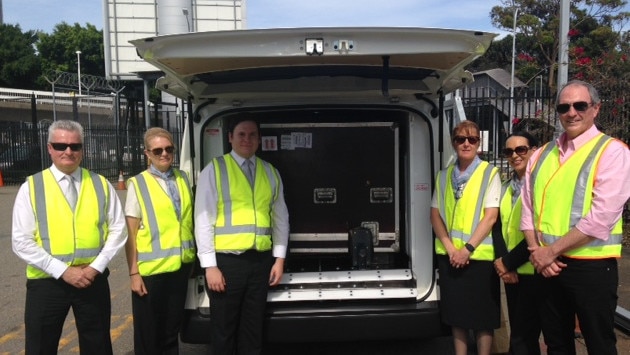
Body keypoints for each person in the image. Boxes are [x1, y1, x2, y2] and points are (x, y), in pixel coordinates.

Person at [521, 80, 630, 354]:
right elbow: (527, 209)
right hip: (548, 265)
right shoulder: (542, 154)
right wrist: (536, 251)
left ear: (595, 109)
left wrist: (549, 252)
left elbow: (601, 217)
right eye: (564, 106)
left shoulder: (613, 152)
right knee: (556, 344)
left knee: (599, 344)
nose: (572, 113)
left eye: (580, 105)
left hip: (591, 266)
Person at [11, 120, 127, 355]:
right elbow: (21, 241)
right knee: (40, 346)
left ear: (82, 150)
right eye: (61, 145)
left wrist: (96, 267)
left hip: (91, 278)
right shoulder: (32, 187)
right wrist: (63, 271)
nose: (68, 151)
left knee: (98, 345)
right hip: (47, 281)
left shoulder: (100, 184)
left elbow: (118, 229)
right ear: (49, 148)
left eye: (75, 146)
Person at [194, 117, 289, 355]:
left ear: (259, 139)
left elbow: (280, 218)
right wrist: (209, 266)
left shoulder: (270, 172)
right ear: (230, 138)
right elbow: (203, 220)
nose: (247, 139)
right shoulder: (214, 170)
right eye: (241, 134)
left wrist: (279, 258)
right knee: (223, 331)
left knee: (253, 329)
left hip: (260, 263)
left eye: (252, 135)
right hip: (227, 264)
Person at [430, 120, 501, 355]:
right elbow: (435, 215)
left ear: (479, 143)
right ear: (453, 143)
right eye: (461, 139)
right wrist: (451, 250)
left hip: (478, 257)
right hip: (451, 257)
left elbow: (490, 217)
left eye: (472, 139)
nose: (466, 143)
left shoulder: (490, 173)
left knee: (483, 318)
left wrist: (466, 249)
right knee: (456, 316)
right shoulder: (443, 176)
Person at [124, 127, 195, 354]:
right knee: (148, 335)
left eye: (168, 148)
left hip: (180, 268)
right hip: (150, 272)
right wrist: (134, 273)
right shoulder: (139, 183)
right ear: (147, 153)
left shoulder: (182, 178)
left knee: (170, 332)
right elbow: (130, 234)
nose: (164, 154)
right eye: (157, 150)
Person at [493, 131, 544, 355]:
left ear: (534, 150)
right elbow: (497, 228)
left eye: (521, 149)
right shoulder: (505, 186)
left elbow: (540, 232)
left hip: (536, 269)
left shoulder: (542, 186)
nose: (515, 155)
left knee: (527, 334)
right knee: (519, 332)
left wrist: (508, 262)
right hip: (512, 271)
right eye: (509, 151)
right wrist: (504, 263)